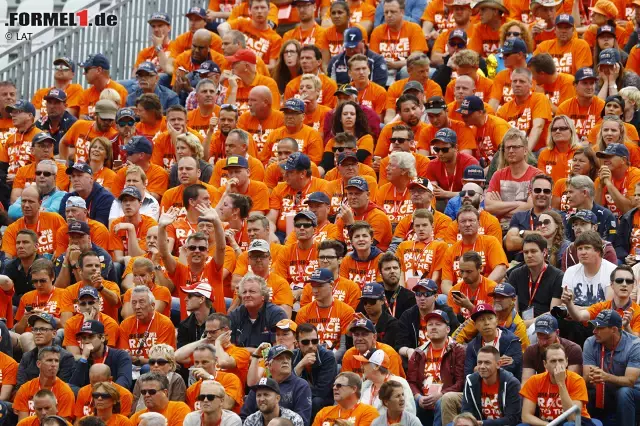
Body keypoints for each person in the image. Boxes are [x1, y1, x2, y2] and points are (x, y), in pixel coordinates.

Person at [406, 308, 465, 426]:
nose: (433, 327)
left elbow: (461, 382)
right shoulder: (418, 353)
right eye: (430, 324)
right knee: (407, 401)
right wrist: (418, 397)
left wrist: (441, 394)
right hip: (423, 397)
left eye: (438, 324)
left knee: (441, 402)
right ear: (426, 330)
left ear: (448, 329)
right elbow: (411, 382)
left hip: (445, 396)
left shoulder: (458, 350)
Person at [581, 309, 640, 425]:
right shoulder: (590, 342)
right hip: (605, 391)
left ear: (614, 330)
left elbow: (630, 381)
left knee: (624, 393)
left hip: (634, 395)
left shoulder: (634, 345)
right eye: (594, 327)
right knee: (587, 391)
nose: (594, 331)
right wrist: (596, 377)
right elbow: (587, 377)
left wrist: (606, 377)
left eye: (599, 328)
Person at [521, 343, 598, 426]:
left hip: (576, 422)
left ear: (566, 362)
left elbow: (573, 417)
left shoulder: (577, 380)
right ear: (545, 364)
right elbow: (526, 416)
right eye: (553, 361)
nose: (558, 365)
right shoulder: (535, 380)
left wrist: (561, 383)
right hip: (547, 423)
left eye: (561, 360)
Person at [440, 205, 508, 296]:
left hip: (486, 293)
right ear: (458, 226)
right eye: (463, 221)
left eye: (471, 220)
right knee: (441, 299)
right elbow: (445, 283)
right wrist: (457, 296)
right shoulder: (451, 250)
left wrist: (481, 289)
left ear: (479, 223)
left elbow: (501, 268)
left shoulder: (490, 242)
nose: (467, 224)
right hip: (461, 295)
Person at [485, 128, 543, 227]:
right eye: (507, 148)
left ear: (525, 150)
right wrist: (519, 204)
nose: (511, 151)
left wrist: (501, 207)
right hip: (501, 227)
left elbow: (531, 207)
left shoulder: (537, 175)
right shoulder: (498, 175)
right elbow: (488, 206)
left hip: (528, 226)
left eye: (515, 147)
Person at [241, 345, 312, 425]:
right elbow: (244, 417)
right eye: (280, 358)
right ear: (269, 365)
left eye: (288, 358)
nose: (285, 361)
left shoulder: (300, 385)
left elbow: (303, 422)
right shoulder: (260, 386)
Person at [564, 265, 640, 336]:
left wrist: (627, 327)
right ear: (612, 284)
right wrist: (569, 303)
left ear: (633, 286)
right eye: (619, 280)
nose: (624, 284)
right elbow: (579, 317)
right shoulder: (602, 307)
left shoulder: (638, 312)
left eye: (629, 281)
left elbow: (637, 343)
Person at [507, 234, 564, 326]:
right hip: (519, 326)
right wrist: (519, 325)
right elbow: (512, 311)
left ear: (544, 252)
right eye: (526, 252)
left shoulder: (558, 276)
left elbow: (553, 314)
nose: (529, 255)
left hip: (545, 326)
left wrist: (524, 324)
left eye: (533, 251)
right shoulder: (515, 274)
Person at [458, 346, 521, 426]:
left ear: (498, 364)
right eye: (479, 362)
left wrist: (482, 423)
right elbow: (466, 411)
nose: (482, 367)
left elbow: (512, 419)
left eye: (487, 363)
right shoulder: (470, 381)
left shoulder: (511, 383)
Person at [295, 268, 355, 351]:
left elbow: (343, 347)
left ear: (332, 285)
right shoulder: (303, 313)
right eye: (313, 286)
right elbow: (302, 346)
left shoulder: (346, 311)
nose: (315, 290)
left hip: (336, 359)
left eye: (319, 286)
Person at [117, 286, 176, 367]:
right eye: (134, 303)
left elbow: (162, 361)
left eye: (141, 302)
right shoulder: (125, 324)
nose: (137, 307)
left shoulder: (164, 323)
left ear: (152, 305)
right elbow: (123, 355)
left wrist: (139, 360)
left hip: (157, 369)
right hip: (131, 368)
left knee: (146, 368)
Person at [397, 279, 459, 357]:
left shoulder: (447, 313)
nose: (422, 298)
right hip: (417, 359)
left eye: (426, 294)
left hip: (444, 357)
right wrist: (409, 351)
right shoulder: (408, 315)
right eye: (418, 294)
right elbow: (400, 345)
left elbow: (456, 336)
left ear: (436, 296)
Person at [68, 318, 132, 390]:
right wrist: (83, 359)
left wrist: (106, 393)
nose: (86, 341)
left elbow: (125, 381)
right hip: (91, 398)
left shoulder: (120, 356)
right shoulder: (82, 361)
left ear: (102, 338)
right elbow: (73, 386)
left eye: (91, 337)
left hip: (112, 397)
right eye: (84, 338)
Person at [464, 304, 523, 382]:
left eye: (490, 318)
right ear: (475, 325)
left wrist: (477, 368)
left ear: (497, 321)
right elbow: (468, 375)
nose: (486, 323)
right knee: (450, 395)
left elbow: (510, 369)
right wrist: (496, 364)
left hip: (506, 389)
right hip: (479, 389)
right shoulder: (472, 346)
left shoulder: (512, 341)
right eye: (481, 319)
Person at [14, 346, 75, 420]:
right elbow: (23, 422)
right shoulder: (25, 389)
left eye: (56, 361)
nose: (53, 364)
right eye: (49, 360)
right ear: (38, 364)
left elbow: (63, 423)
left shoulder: (65, 392)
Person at [229, 274, 288, 349]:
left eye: (252, 291)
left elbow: (278, 350)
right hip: (240, 360)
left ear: (263, 296)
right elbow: (230, 349)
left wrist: (249, 352)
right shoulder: (235, 315)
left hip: (266, 360)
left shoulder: (276, 314)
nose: (247, 295)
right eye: (244, 292)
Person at [335, 176, 393, 251]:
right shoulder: (346, 215)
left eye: (357, 193)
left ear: (368, 195)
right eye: (350, 193)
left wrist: (350, 225)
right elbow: (338, 247)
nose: (353, 197)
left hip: (374, 260)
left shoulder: (378, 217)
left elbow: (365, 250)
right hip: (350, 259)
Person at [291, 323, 337, 417]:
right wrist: (300, 365)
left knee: (315, 402)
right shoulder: (292, 356)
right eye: (305, 342)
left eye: (314, 341)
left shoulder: (327, 357)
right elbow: (287, 384)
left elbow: (322, 391)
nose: (311, 345)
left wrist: (299, 396)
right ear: (297, 343)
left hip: (321, 399)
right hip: (299, 395)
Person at [522, 314, 583, 383]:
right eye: (539, 337)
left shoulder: (572, 350)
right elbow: (526, 384)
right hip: (541, 391)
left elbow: (571, 384)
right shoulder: (530, 351)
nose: (543, 343)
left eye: (547, 338)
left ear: (557, 332)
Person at [424, 128, 479, 205]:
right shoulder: (432, 164)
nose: (440, 153)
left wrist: (446, 194)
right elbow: (434, 192)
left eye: (445, 150)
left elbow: (473, 194)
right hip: (445, 203)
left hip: (467, 203)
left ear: (456, 148)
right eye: (436, 149)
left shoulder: (470, 162)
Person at [183, 343, 243, 413]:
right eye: (196, 362)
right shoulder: (191, 390)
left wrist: (209, 379)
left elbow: (227, 405)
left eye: (204, 362)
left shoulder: (230, 379)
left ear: (216, 361)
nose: (199, 366)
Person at [504, 174, 554, 256]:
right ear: (531, 193)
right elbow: (510, 244)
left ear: (551, 194)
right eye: (537, 190)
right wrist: (541, 238)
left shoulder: (559, 216)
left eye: (546, 191)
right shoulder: (519, 216)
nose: (541, 194)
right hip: (521, 264)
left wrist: (522, 233)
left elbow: (556, 242)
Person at [357, 349, 415, 417]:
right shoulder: (365, 384)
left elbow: (408, 414)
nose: (361, 366)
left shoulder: (399, 383)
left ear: (376, 366)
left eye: (364, 363)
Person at [59, 162, 116, 227]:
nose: (75, 179)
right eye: (73, 176)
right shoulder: (68, 198)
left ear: (91, 179)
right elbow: (63, 225)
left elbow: (99, 228)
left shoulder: (105, 198)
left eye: (79, 175)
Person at [447, 251, 498, 322]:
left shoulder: (492, 288)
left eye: (469, 272)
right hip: (463, 330)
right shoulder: (456, 289)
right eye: (461, 271)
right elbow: (453, 320)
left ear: (480, 268)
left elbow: (490, 320)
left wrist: (469, 306)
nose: (464, 276)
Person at [312, 372, 379, 426]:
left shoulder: (368, 412)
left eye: (339, 385)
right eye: (334, 385)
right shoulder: (324, 412)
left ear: (353, 389)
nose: (334, 388)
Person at [565, 175, 618, 242]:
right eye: (575, 224)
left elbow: (610, 246)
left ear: (584, 193)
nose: (567, 196)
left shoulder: (606, 216)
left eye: (571, 192)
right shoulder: (570, 217)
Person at [595, 143, 640, 218]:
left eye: (610, 156)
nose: (605, 160)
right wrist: (600, 187)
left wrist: (609, 184)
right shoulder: (601, 178)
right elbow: (597, 214)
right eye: (604, 156)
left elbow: (631, 211)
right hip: (611, 226)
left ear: (623, 160)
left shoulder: (636, 175)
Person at [76, 54, 128, 118]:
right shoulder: (86, 94)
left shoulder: (119, 91)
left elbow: (119, 120)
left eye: (86, 70)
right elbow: (82, 118)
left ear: (99, 70)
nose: (84, 73)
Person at [358, 282, 402, 348]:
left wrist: (369, 327)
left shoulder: (393, 324)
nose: (368, 305)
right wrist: (349, 335)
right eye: (365, 301)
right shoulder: (360, 321)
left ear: (382, 301)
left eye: (372, 301)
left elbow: (385, 349)